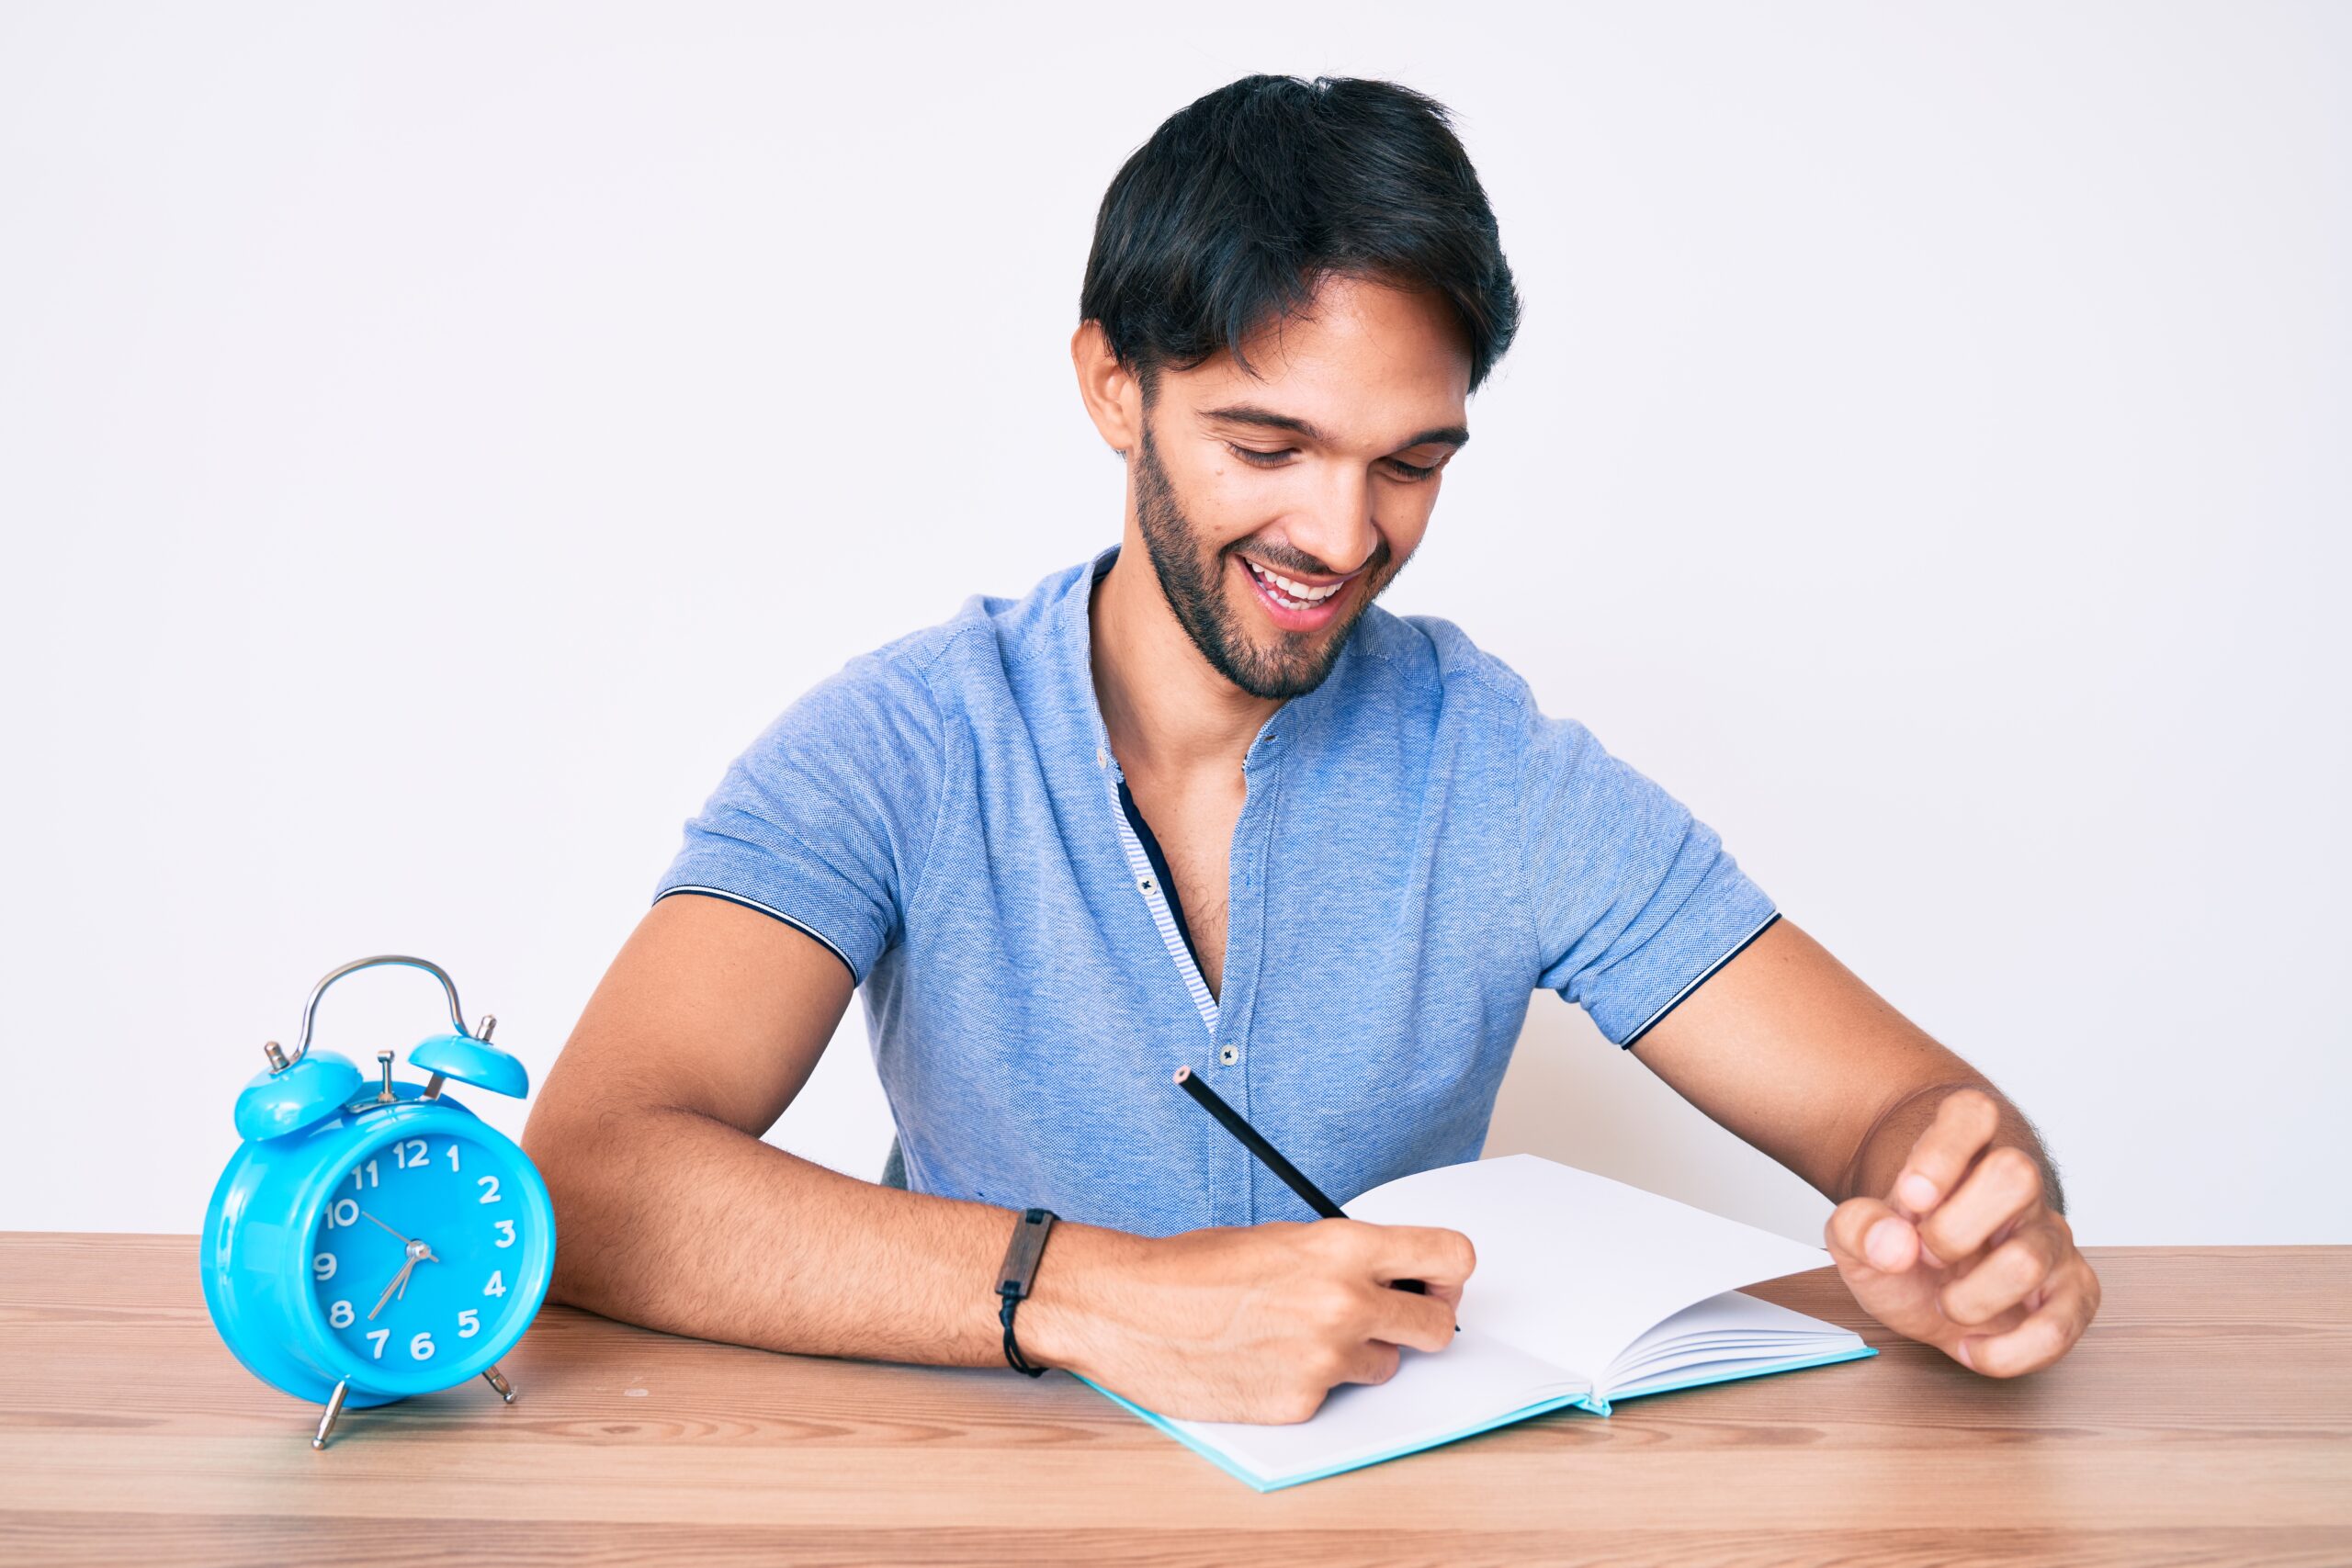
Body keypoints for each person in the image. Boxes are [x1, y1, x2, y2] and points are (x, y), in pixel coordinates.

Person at [521, 73, 2099, 1425]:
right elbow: (590, 1177)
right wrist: (1103, 1297)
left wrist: (1969, 1217)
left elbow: (1898, 1111)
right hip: (983, 1500)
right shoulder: (899, 744)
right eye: (1266, 446)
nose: (1341, 537)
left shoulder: (1498, 766)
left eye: (1409, 464)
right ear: (1112, 387)